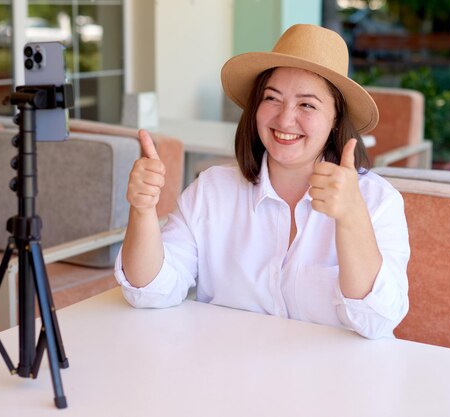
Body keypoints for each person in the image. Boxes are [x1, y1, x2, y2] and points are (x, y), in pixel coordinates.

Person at [114, 24, 410, 339]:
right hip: (231, 373)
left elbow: (377, 322)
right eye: (272, 98)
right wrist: (142, 209)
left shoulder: (379, 200)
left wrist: (352, 218)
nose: (284, 119)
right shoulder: (211, 190)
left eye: (307, 104)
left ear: (336, 117)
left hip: (338, 381)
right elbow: (149, 292)